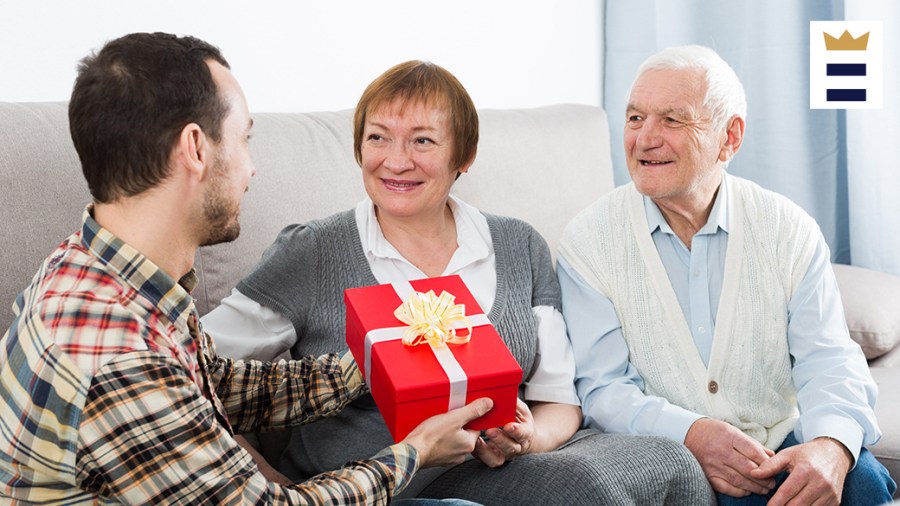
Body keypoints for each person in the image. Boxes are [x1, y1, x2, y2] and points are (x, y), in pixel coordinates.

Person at [0, 32, 493, 505]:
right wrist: (415, 453)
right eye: (244, 140)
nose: (251, 168)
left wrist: (373, 360)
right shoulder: (121, 358)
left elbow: (214, 387)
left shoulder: (99, 272)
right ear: (196, 148)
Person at [202, 59, 714, 505]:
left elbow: (559, 399)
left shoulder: (518, 245)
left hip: (512, 466)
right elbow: (188, 369)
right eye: (378, 137)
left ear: (463, 157)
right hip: (381, 486)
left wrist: (527, 437)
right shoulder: (314, 250)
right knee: (580, 491)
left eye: (422, 141)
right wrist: (267, 486)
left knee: (670, 463)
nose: (395, 160)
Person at [557, 45, 897, 505]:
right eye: (635, 118)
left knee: (860, 484)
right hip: (673, 458)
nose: (644, 138)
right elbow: (603, 389)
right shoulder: (588, 241)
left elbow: (829, 359)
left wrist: (831, 446)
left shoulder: (787, 228)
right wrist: (693, 433)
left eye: (672, 120)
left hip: (783, 444)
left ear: (729, 137)